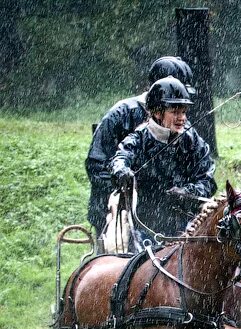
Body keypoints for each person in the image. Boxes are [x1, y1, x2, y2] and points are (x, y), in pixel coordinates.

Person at [85, 56, 196, 238]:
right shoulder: (121, 114)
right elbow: (96, 165)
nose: (181, 114)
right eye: (175, 104)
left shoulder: (182, 126)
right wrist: (127, 190)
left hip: (166, 217)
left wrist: (184, 193)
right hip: (117, 214)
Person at [110, 76, 216, 246]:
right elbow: (120, 158)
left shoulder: (192, 139)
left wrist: (186, 192)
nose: (182, 118)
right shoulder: (138, 138)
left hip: (186, 226)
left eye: (183, 112)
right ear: (157, 113)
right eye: (175, 112)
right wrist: (122, 171)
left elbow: (207, 179)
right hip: (144, 227)